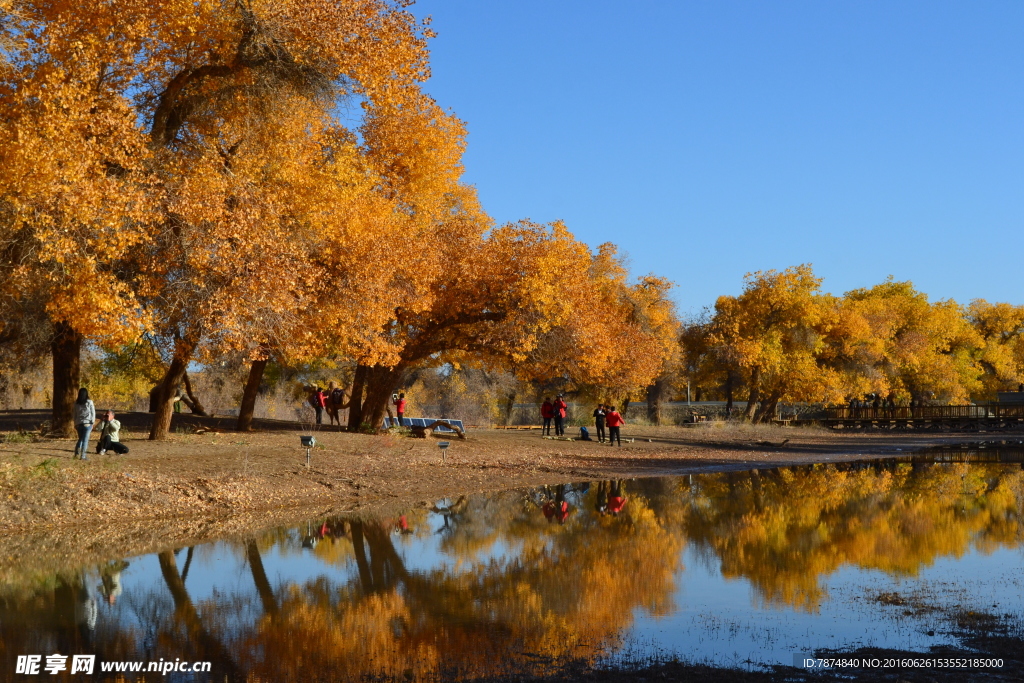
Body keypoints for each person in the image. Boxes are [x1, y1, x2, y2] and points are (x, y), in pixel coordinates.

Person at [73, 387, 96, 460]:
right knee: (85, 440)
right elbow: (93, 413)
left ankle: (77, 454)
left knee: (80, 439)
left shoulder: (76, 403)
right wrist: (92, 422)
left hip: (79, 423)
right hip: (87, 423)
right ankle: (83, 456)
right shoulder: (89, 402)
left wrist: (75, 422)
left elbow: (74, 414)